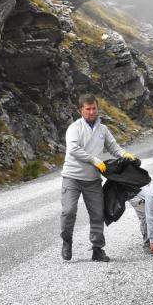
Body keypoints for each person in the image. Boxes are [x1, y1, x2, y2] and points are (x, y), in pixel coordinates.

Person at [60, 93, 134, 262]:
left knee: (97, 214)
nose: (92, 112)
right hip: (72, 177)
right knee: (68, 211)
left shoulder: (103, 129)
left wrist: (126, 155)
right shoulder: (74, 128)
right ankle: (66, 240)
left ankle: (97, 249)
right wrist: (95, 160)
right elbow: (73, 150)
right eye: (88, 109)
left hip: (93, 180)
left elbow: (114, 148)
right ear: (81, 110)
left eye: (94, 108)